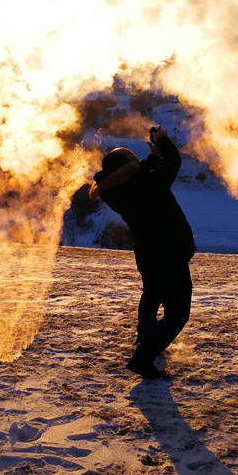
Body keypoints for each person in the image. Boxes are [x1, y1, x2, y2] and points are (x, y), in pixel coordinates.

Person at [89, 125, 195, 380]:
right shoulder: (147, 184)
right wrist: (164, 141)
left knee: (152, 295)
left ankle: (145, 338)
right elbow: (173, 162)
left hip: (148, 254)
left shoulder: (117, 190)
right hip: (168, 254)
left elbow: (140, 176)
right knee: (178, 313)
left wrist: (153, 157)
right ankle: (143, 357)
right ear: (129, 167)